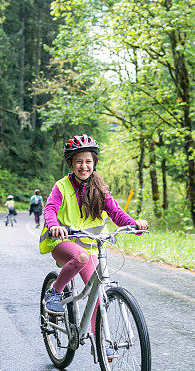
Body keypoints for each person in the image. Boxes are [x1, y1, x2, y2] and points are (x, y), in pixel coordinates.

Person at [39, 134, 148, 348]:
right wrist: (54, 226)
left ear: (94, 163)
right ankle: (55, 292)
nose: (83, 166)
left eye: (88, 161)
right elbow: (50, 209)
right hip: (61, 242)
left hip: (90, 246)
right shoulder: (61, 187)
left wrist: (134, 225)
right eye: (78, 161)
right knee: (79, 256)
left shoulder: (100, 189)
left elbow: (116, 213)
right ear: (71, 163)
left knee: (98, 295)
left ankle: (101, 341)